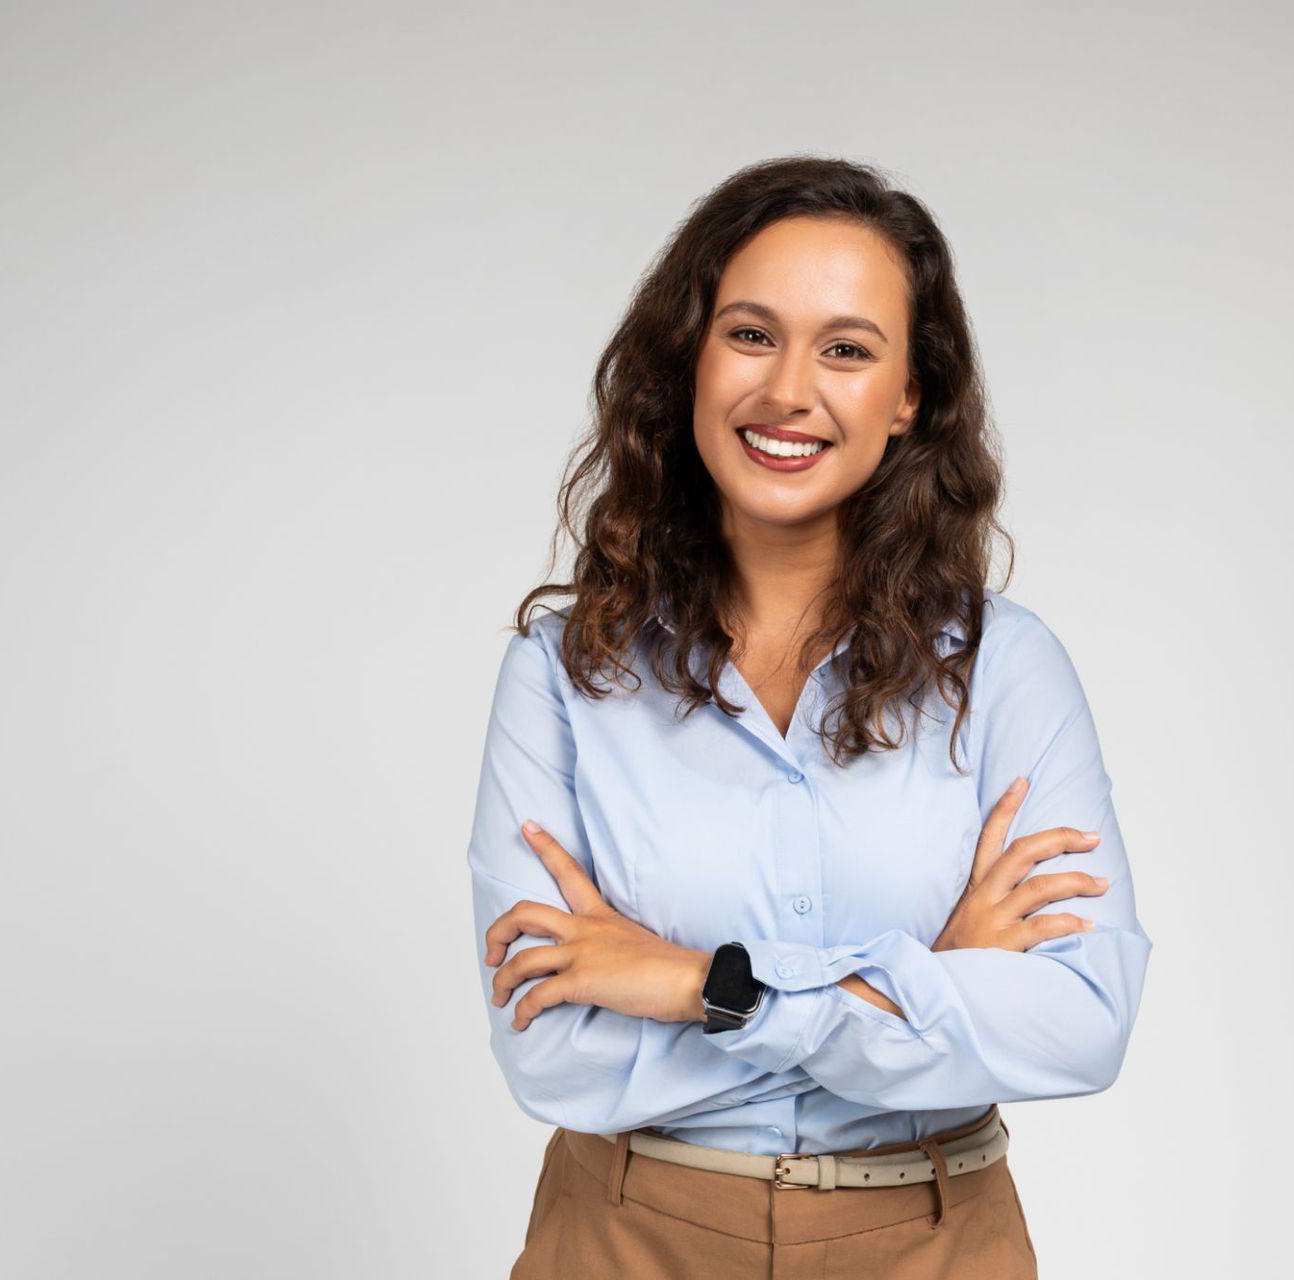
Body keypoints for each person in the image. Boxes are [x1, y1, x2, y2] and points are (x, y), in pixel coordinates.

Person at [467, 154, 1153, 1278]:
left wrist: (699, 984)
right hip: (625, 1237)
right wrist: (923, 986)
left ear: (909, 395)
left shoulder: (1005, 669)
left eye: (846, 348)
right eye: (750, 333)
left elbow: (1080, 1018)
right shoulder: (565, 670)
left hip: (935, 1242)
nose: (789, 391)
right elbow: (553, 1054)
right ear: (689, 356)